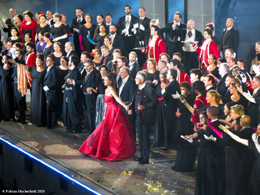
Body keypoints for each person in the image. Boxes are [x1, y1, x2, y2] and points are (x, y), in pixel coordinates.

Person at [79, 74, 136, 161]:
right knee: (103, 130)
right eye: (104, 80)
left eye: (106, 80)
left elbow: (117, 99)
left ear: (110, 81)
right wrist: (104, 114)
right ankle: (98, 149)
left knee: (113, 131)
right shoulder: (106, 90)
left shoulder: (111, 89)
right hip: (108, 111)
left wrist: (125, 106)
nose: (104, 81)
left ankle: (114, 150)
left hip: (114, 111)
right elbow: (106, 103)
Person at [219, 123, 260, 195]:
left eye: (259, 129)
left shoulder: (255, 143)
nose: (257, 131)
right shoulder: (253, 143)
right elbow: (239, 139)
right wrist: (227, 131)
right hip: (257, 169)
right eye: (257, 129)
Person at [128, 71, 158, 164]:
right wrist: (131, 108)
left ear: (142, 79)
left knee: (145, 137)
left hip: (146, 117)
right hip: (138, 116)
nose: (135, 80)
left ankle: (146, 157)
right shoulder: (137, 89)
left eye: (137, 78)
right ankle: (142, 155)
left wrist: (145, 106)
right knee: (140, 137)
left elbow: (155, 102)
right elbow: (135, 100)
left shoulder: (149, 90)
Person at [173, 82, 196, 172]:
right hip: (181, 123)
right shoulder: (180, 98)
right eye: (181, 89)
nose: (182, 91)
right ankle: (179, 163)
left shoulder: (191, 99)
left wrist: (181, 114)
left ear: (188, 89)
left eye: (184, 89)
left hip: (188, 124)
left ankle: (186, 165)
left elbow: (192, 112)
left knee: (187, 145)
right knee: (180, 144)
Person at [72, 59, 99, 132]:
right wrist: (74, 82)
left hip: (90, 96)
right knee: (87, 113)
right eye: (85, 66)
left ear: (92, 66)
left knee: (91, 113)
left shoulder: (95, 74)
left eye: (87, 66)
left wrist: (92, 89)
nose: (86, 68)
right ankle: (88, 126)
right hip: (85, 96)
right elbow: (83, 82)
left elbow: (95, 84)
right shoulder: (86, 73)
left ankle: (92, 130)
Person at [153, 71, 172, 149]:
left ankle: (166, 142)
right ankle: (159, 141)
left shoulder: (169, 86)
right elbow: (155, 94)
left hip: (166, 107)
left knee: (166, 124)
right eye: (160, 77)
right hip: (159, 106)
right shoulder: (158, 86)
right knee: (159, 123)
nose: (161, 79)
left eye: (163, 77)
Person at [63, 55, 82, 133]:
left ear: (72, 62)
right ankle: (71, 126)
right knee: (70, 111)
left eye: (70, 61)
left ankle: (77, 127)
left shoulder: (76, 71)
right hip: (69, 93)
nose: (69, 62)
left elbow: (76, 82)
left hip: (73, 93)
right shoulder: (72, 71)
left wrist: (71, 82)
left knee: (74, 111)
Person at [118, 66, 137, 140]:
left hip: (127, 107)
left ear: (126, 73)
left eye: (122, 72)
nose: (120, 74)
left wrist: (130, 108)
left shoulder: (131, 82)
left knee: (130, 125)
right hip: (121, 106)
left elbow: (132, 96)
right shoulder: (120, 81)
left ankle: (132, 141)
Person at [28, 55, 47, 127]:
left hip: (41, 87)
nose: (37, 62)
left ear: (42, 61)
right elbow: (25, 68)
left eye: (38, 61)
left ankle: (40, 121)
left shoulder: (45, 70)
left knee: (41, 103)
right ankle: (34, 120)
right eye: (36, 61)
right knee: (34, 102)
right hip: (34, 86)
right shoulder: (33, 68)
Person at [43, 55, 57, 129]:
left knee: (50, 108)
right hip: (47, 92)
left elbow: (54, 81)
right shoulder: (47, 69)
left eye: (49, 60)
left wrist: (48, 87)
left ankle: (50, 124)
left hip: (51, 92)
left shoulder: (53, 70)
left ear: (52, 62)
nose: (47, 61)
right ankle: (50, 123)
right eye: (46, 60)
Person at [0, 55, 14, 121]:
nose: (3, 59)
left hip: (8, 85)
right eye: (3, 58)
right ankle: (2, 115)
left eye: (4, 58)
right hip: (1, 85)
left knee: (8, 99)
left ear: (8, 60)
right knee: (2, 99)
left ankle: (8, 115)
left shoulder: (11, 69)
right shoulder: (0, 68)